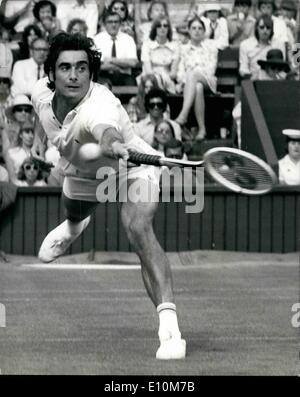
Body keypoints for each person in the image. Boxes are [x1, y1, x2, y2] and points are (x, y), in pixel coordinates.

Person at [31, 32, 186, 360]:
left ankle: (170, 328)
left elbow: (106, 131)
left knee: (138, 229)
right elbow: (49, 123)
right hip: (85, 173)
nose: (74, 75)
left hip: (132, 169)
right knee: (73, 211)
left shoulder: (99, 106)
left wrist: (112, 143)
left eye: (82, 68)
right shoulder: (38, 95)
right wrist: (50, 146)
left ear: (91, 73)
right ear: (50, 74)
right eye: (65, 67)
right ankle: (74, 226)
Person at [175, 16, 219, 141]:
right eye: (193, 28)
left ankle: (183, 115)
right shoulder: (183, 49)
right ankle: (202, 129)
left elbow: (210, 70)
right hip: (189, 85)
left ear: (204, 32)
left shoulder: (211, 49)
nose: (197, 31)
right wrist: (187, 81)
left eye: (200, 28)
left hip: (208, 81)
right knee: (197, 87)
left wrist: (193, 75)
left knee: (194, 75)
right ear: (188, 30)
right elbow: (180, 71)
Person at [93, 11, 139, 86]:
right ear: (105, 24)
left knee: (131, 87)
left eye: (116, 22)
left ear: (120, 24)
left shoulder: (128, 39)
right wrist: (121, 64)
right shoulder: (97, 39)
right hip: (103, 75)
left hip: (124, 76)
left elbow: (133, 63)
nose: (113, 25)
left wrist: (111, 60)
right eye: (110, 22)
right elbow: (96, 65)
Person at [141, 16, 180, 94]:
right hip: (150, 78)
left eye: (165, 26)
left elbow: (173, 72)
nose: (162, 28)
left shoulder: (175, 46)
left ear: (169, 29)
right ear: (155, 28)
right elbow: (148, 71)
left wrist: (165, 78)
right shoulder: (147, 45)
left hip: (168, 78)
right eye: (159, 26)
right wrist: (160, 79)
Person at [239, 14, 286, 79]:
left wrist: (275, 78)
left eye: (268, 28)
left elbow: (283, 68)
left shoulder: (279, 43)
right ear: (257, 28)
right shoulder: (245, 45)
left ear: (272, 30)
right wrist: (252, 77)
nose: (265, 30)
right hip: (253, 80)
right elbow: (243, 69)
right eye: (262, 27)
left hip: (275, 80)